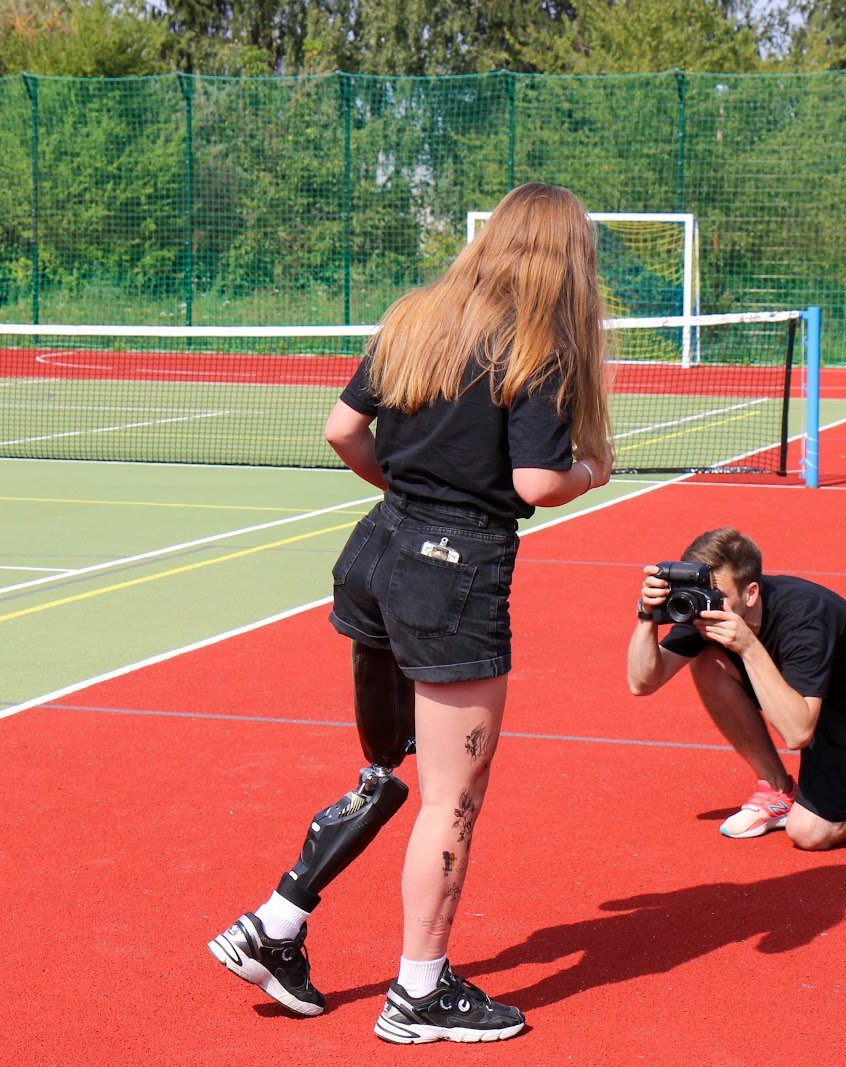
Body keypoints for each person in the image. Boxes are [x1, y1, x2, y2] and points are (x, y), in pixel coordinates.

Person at [209, 182, 615, 1044]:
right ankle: (419, 994)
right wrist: (593, 471)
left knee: (389, 766)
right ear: (566, 257)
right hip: (453, 573)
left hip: (375, 553)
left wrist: (411, 496)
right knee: (452, 797)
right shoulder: (538, 343)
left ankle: (277, 924)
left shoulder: (416, 318)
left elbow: (341, 431)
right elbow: (537, 484)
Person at [626, 527, 846, 850]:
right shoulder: (712, 609)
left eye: (717, 597)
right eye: (700, 594)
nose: (706, 607)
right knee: (707, 662)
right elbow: (641, 682)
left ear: (751, 593)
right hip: (809, 693)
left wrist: (747, 646)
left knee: (809, 833)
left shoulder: (804, 619)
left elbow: (798, 733)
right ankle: (776, 788)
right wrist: (646, 614)